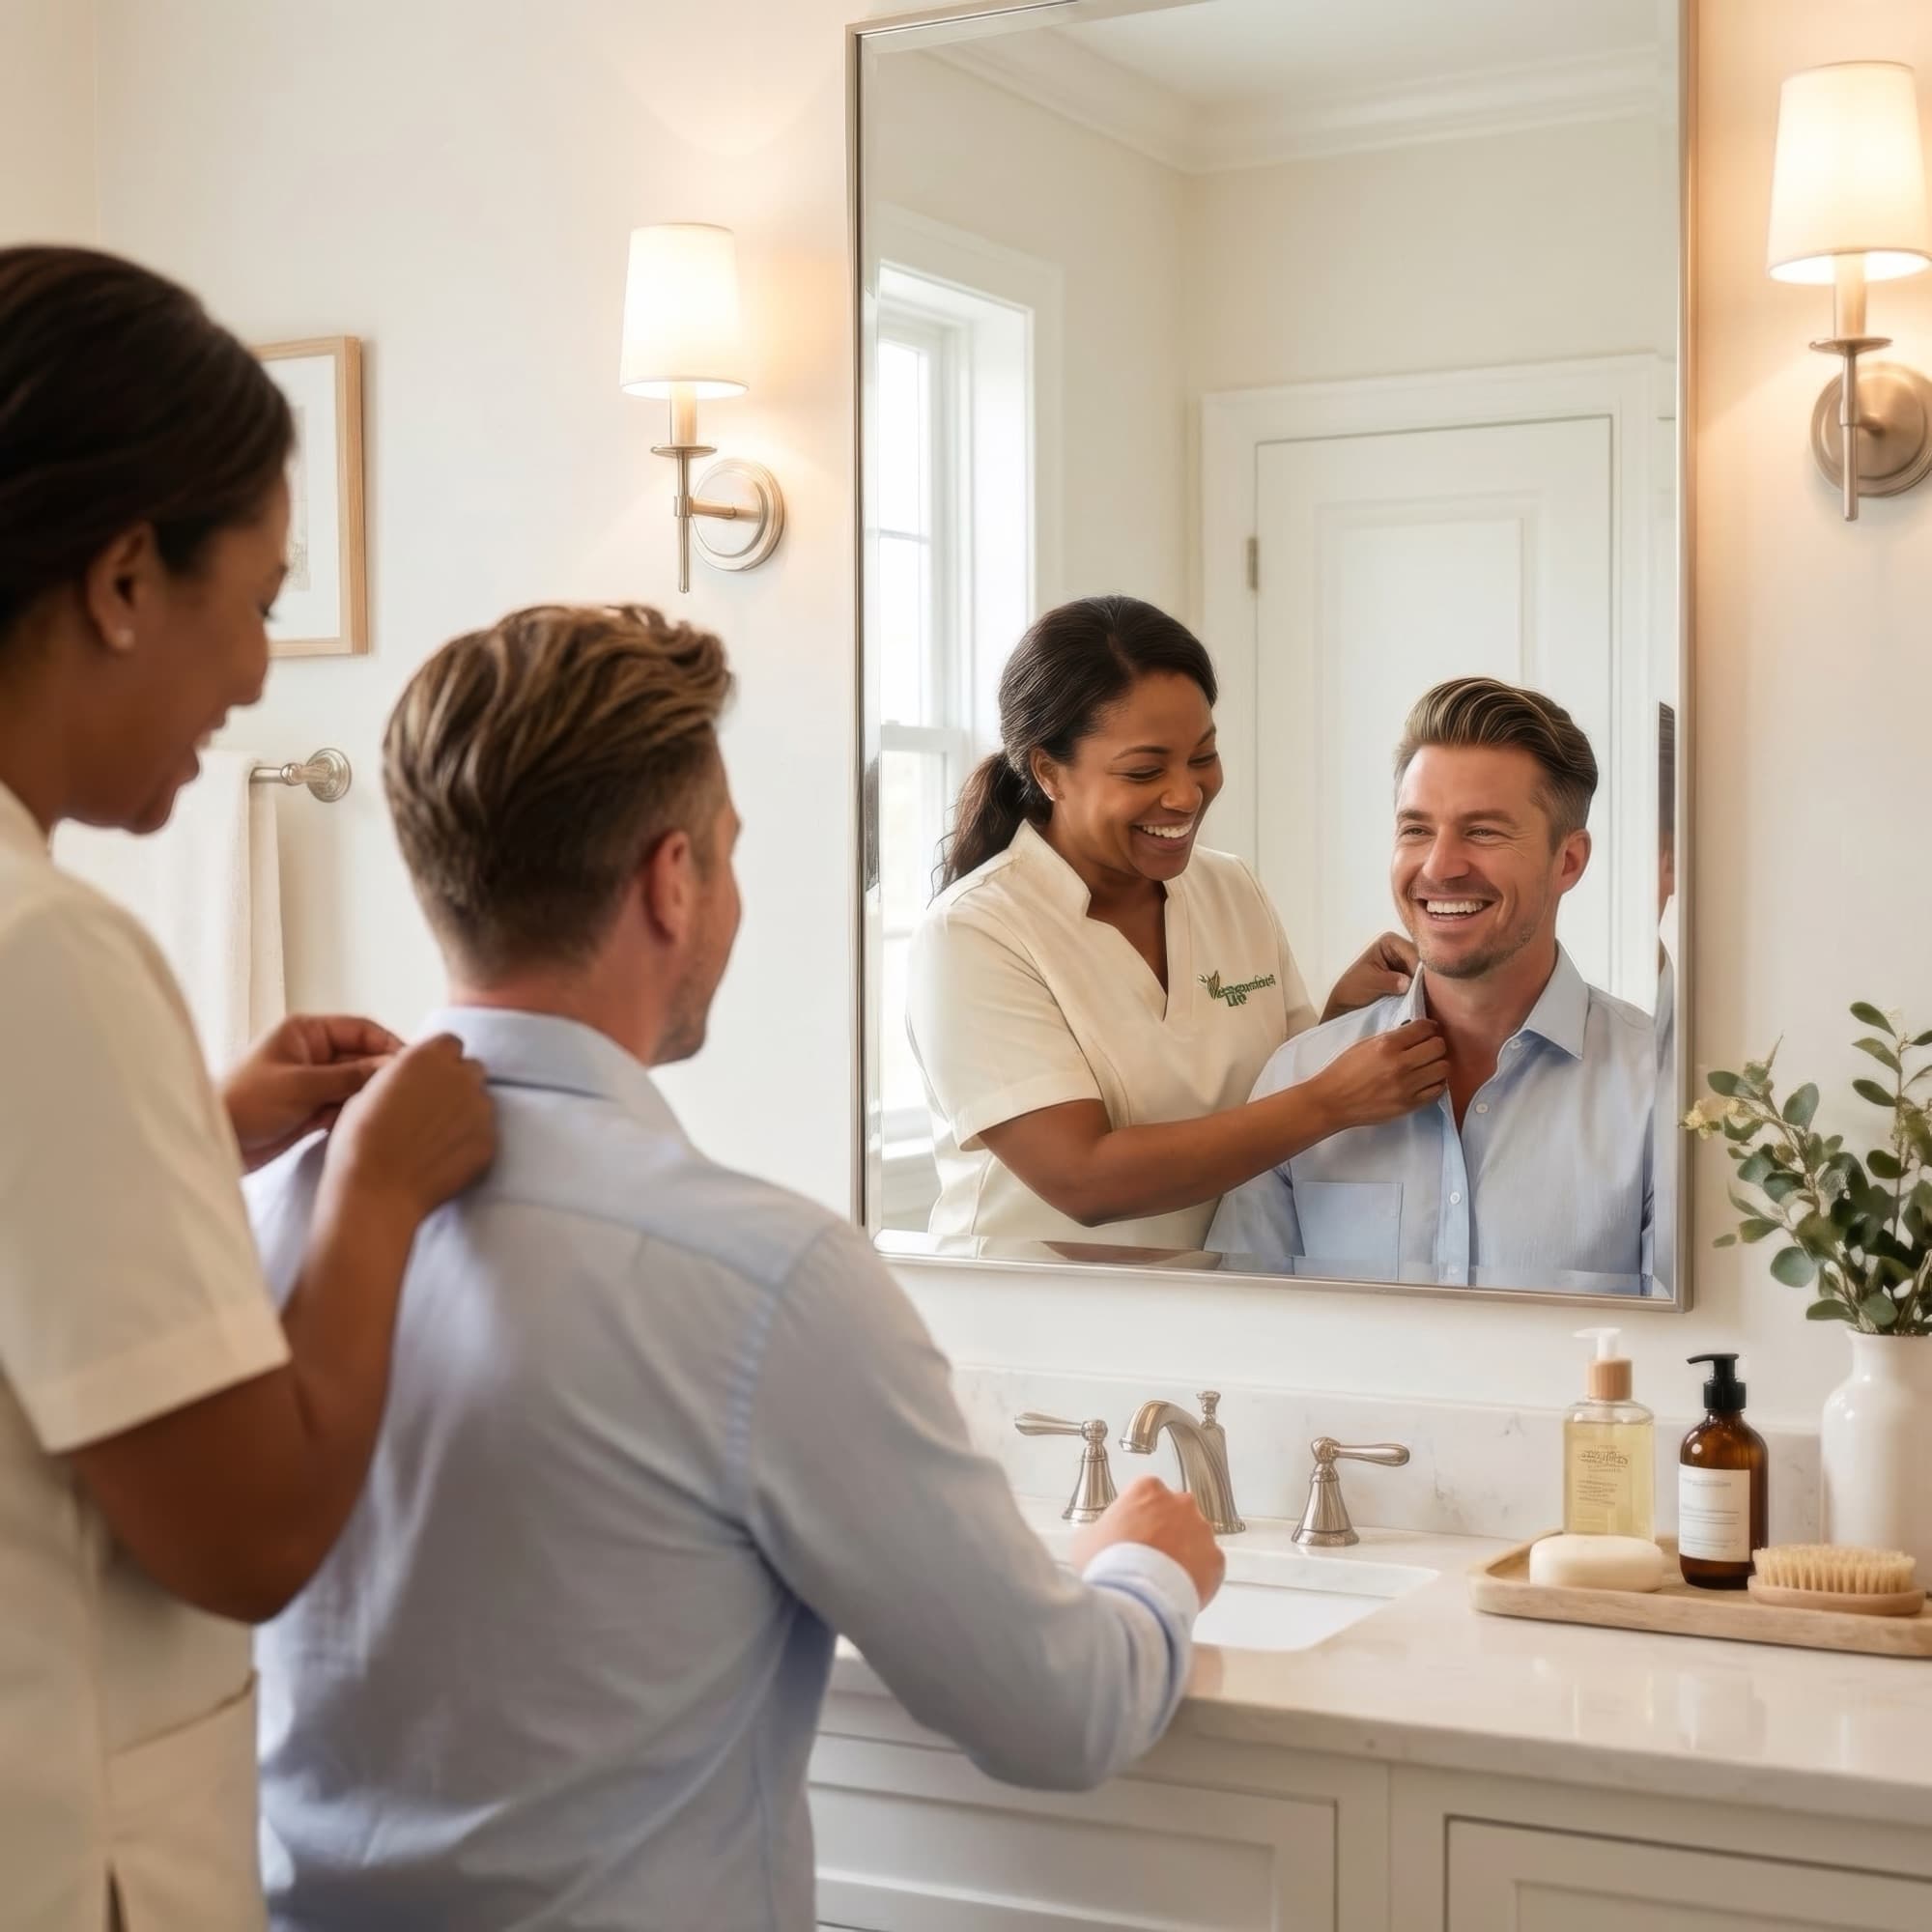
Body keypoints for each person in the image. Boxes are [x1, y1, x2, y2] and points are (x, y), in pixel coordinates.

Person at [247, 604, 1227, 1931]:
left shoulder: (255, 1215)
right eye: (729, 854)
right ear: (671, 881)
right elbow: (1057, 1715)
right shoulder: (766, 1281)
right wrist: (1147, 1564)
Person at [0, 246, 497, 1932]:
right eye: (265, 599)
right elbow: (253, 1531)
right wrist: (374, 1201)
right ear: (127, 577)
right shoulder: (46, 957)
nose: (263, 677)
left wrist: (193, 1132)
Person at [906, 595, 1448, 1250]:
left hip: (1209, 1313)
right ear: (1049, 771)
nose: (1186, 794)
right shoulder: (974, 933)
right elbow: (1085, 1180)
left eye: (1202, 756)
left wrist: (1343, 1014)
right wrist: (1330, 1101)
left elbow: (1270, 1093)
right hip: (1030, 1323)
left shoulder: (1230, 889)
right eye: (1144, 770)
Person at [1209, 676, 1656, 1284]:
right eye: (1416, 830)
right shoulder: (1298, 1079)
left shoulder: (1659, 1090)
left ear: (1568, 861)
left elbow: (1695, 1355)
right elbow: (1241, 1332)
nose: (1440, 866)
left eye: (1483, 831)